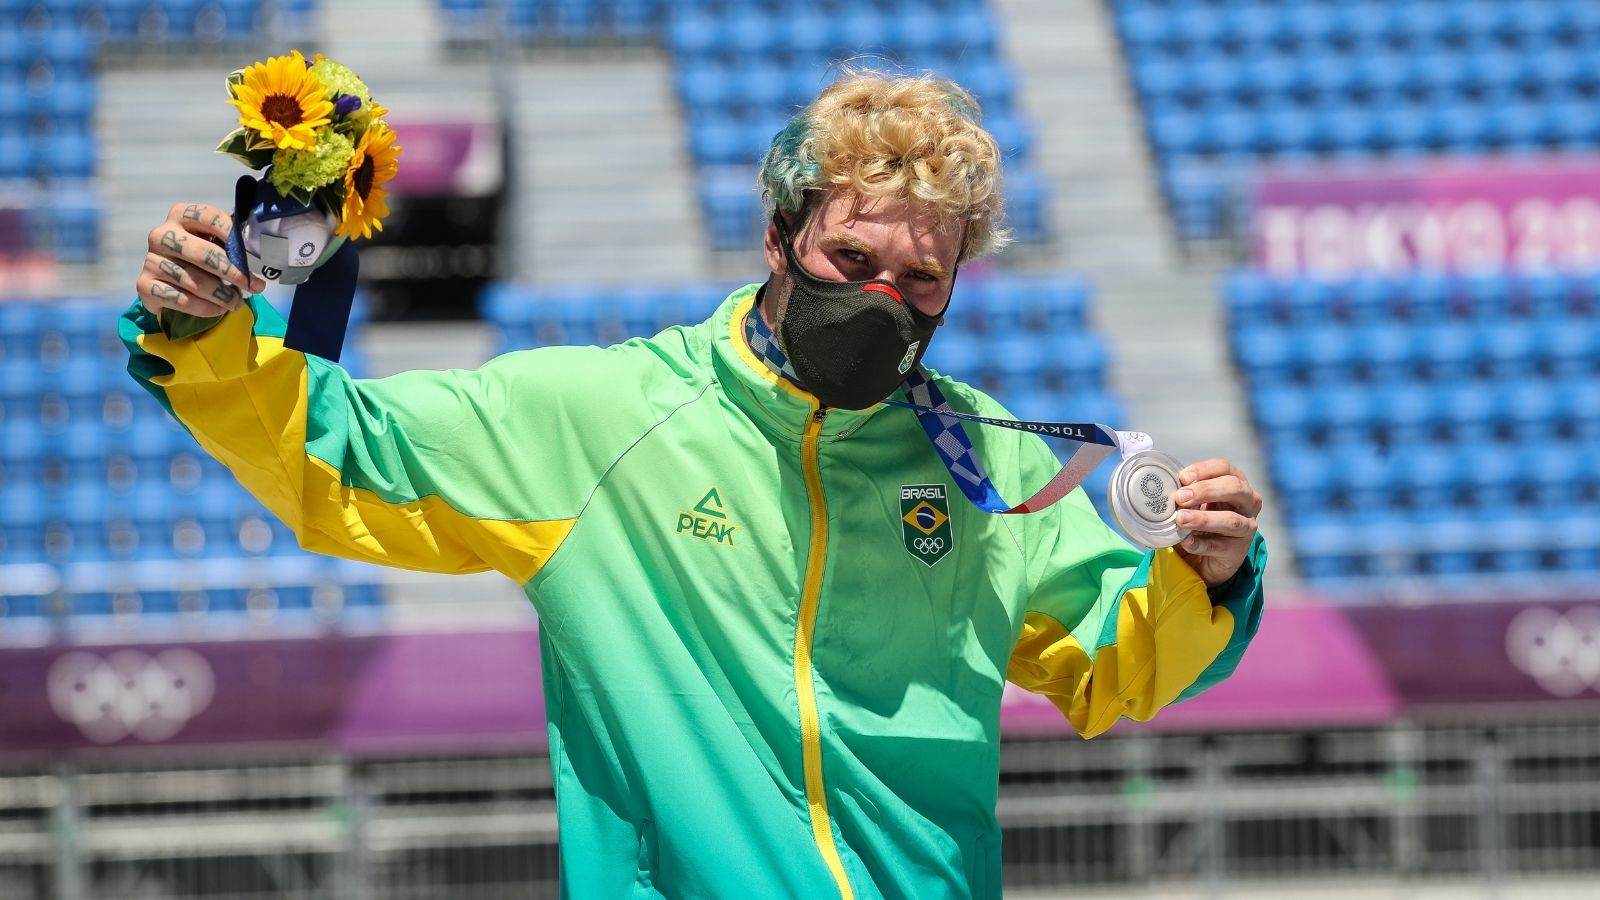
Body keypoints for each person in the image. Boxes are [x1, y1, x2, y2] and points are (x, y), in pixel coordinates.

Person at [123, 71, 1267, 899]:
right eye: (851, 262)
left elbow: (1112, 666)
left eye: (923, 277)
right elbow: (341, 457)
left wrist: (1206, 576)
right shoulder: (604, 419)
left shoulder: (988, 461)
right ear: (778, 236)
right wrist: (207, 332)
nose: (884, 298)